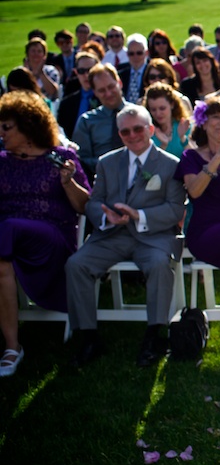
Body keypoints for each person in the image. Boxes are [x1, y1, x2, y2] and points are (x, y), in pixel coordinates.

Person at [65, 104, 186, 368]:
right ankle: (87, 336)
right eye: (125, 132)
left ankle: (154, 336)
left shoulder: (171, 165)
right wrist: (106, 215)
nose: (132, 135)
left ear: (151, 129)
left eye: (138, 129)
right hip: (112, 235)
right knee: (76, 264)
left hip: (153, 235)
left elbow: (176, 208)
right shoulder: (107, 162)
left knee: (158, 264)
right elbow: (93, 202)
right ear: (119, 134)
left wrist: (138, 214)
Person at [0, 91, 91, 377]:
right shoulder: (1, 160)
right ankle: (12, 345)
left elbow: (84, 206)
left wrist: (68, 182)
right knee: (2, 258)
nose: (0, 133)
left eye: (6, 127)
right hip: (7, 241)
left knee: (8, 227)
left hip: (51, 237)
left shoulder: (61, 157)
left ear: (28, 126)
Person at [174, 96, 220, 354]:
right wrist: (217, 157)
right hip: (205, 230)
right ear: (203, 123)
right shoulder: (191, 157)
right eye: (216, 117)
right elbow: (194, 192)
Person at [72, 63, 129, 181]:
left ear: (120, 83)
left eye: (111, 87)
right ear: (95, 92)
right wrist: (108, 163)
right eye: (102, 90)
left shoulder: (139, 114)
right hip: (103, 180)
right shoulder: (87, 122)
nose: (108, 94)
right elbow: (81, 160)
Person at [56, 51, 100, 139]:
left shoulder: (106, 99)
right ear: (76, 72)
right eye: (81, 71)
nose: (86, 75)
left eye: (90, 70)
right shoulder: (66, 103)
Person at [143, 82, 191, 158]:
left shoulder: (185, 126)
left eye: (162, 108)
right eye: (153, 109)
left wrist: (183, 139)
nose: (158, 113)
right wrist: (163, 145)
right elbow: (150, 165)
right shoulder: (147, 132)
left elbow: (196, 160)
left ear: (172, 104)